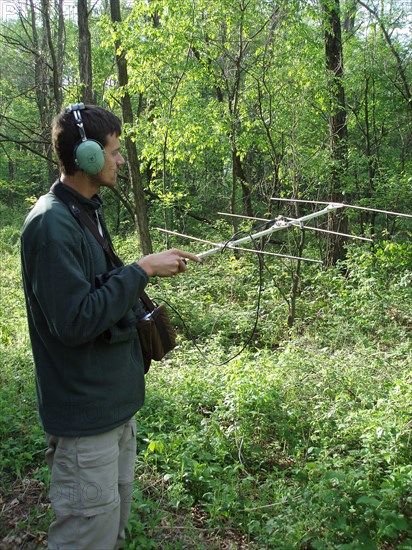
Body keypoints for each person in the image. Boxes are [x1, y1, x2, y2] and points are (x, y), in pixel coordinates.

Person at [20, 103, 200, 550]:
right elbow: (75, 320)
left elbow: (101, 289)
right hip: (86, 421)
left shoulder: (83, 211)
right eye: (114, 151)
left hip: (112, 410)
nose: (120, 160)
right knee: (86, 537)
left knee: (109, 531)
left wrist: (141, 272)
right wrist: (141, 270)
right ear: (88, 157)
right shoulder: (51, 224)